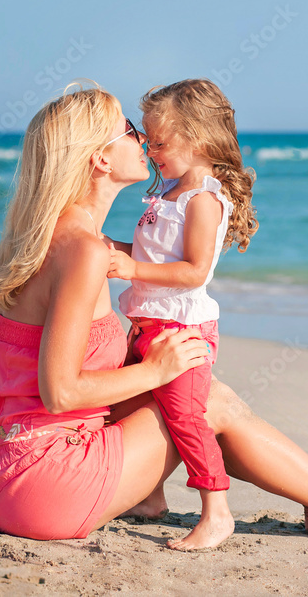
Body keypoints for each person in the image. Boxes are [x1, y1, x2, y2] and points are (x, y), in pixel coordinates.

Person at [0, 82, 308, 550]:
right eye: (130, 130)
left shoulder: (55, 237)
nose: (143, 141)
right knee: (209, 401)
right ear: (100, 159)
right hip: (45, 485)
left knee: (201, 394)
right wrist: (156, 370)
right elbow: (62, 392)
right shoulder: (84, 252)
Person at [106, 79, 254, 550]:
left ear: (199, 139)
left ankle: (217, 512)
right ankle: (150, 497)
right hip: (148, 322)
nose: (148, 149)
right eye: (145, 139)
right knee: (127, 408)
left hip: (182, 329)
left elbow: (193, 271)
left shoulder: (202, 201)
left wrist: (131, 266)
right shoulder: (167, 193)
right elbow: (154, 254)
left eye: (160, 141)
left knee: (186, 417)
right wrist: (113, 249)